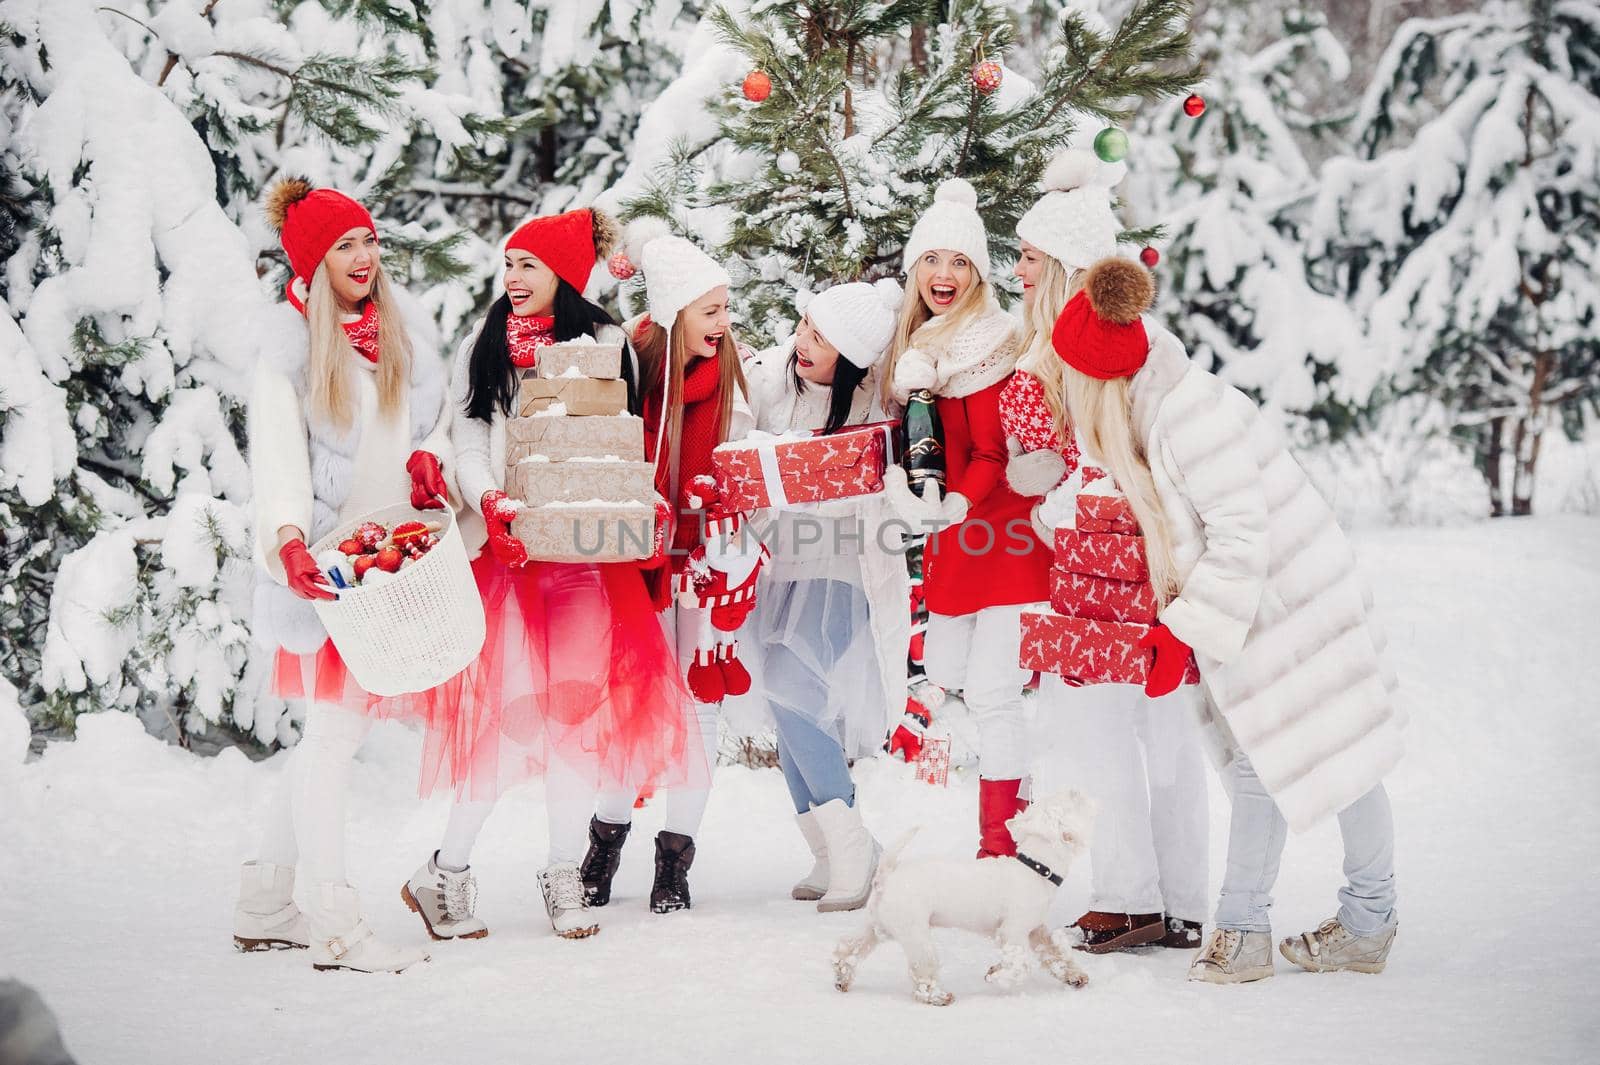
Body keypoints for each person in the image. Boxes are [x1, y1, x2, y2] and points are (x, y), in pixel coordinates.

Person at [1040, 253, 1402, 983]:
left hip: (1286, 602)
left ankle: (1245, 931)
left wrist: (1187, 626)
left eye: (1071, 379)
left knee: (1273, 759)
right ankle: (1367, 919)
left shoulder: (1187, 415)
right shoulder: (1152, 404)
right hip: (1274, 600)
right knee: (1331, 753)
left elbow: (1239, 534)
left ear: (1098, 376)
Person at [400, 208, 696, 941]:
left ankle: (564, 874)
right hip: (512, 560)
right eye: (508, 265)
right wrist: (486, 495)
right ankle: (445, 871)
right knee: (504, 725)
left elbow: (620, 447)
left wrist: (645, 507)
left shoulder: (605, 343)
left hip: (587, 567)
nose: (514, 278)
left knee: (575, 725)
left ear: (566, 271)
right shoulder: (488, 341)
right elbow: (468, 432)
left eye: (529, 264)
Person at [235, 178, 452, 973]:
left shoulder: (403, 335)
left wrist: (436, 470)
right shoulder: (288, 355)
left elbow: (428, 434)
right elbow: (279, 466)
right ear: (314, 261)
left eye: (368, 240)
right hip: (327, 575)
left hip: (388, 571)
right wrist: (288, 540)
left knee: (332, 738)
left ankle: (264, 901)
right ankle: (334, 925)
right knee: (331, 740)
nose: (363, 257)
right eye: (343, 246)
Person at [999, 148, 1209, 953]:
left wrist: (1071, 506)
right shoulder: (1144, 343)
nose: (1014, 269)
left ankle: (1134, 896)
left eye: (1026, 256)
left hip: (1111, 565)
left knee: (1099, 727)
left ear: (1062, 264)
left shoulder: (1075, 349)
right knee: (1156, 729)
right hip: (1148, 562)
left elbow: (1058, 472)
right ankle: (1177, 896)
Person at [579, 220, 755, 914]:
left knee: (699, 706)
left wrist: (727, 502)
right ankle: (605, 840)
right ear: (677, 311)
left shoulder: (735, 373)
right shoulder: (630, 363)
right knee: (630, 702)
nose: (724, 322)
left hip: (707, 561)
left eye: (725, 308)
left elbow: (760, 451)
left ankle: (675, 860)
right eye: (711, 310)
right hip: (636, 557)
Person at [881, 178, 1051, 858]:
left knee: (992, 692)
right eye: (931, 260)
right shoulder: (922, 342)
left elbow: (992, 450)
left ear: (979, 272)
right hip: (962, 533)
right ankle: (1025, 822)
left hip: (1004, 532)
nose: (943, 275)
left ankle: (1000, 847)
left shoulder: (992, 342)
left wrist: (954, 502)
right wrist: (907, 488)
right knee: (951, 670)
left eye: (959, 262)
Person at [741, 279, 909, 912]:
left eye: (822, 338)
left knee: (796, 689)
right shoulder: (770, 380)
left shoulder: (877, 403)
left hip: (843, 567)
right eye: (806, 326)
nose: (803, 342)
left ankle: (855, 847)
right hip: (776, 568)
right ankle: (827, 850)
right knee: (788, 712)